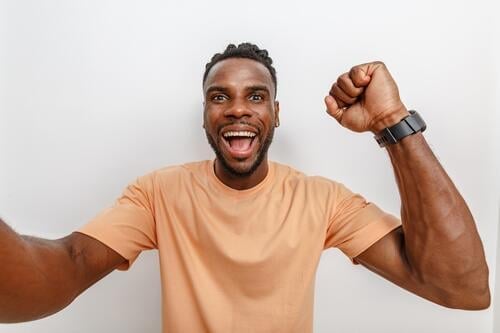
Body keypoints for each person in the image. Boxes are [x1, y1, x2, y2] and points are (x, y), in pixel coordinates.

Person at [0, 43, 490, 332]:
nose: (237, 109)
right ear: (206, 116)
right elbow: (69, 265)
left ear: (275, 114)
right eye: (220, 97)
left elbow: (461, 288)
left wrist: (391, 120)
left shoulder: (322, 200)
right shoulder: (159, 193)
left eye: (256, 96)